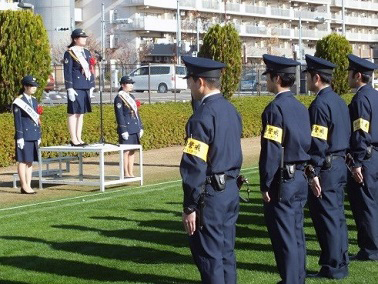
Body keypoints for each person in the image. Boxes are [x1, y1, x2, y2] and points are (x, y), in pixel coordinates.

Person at [180, 56, 243, 284]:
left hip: (211, 195)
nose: (189, 86)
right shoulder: (231, 110)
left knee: (209, 257)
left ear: (200, 82)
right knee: (226, 252)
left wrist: (190, 206)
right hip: (230, 189)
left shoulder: (201, 117)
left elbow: (194, 166)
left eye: (190, 80)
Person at [259, 54, 311, 284]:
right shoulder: (301, 107)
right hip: (300, 176)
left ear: (276, 77)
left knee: (284, 236)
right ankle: (297, 277)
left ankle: (291, 279)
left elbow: (271, 151)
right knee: (297, 233)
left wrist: (265, 183)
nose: (266, 81)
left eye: (268, 77)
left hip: (284, 181)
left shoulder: (274, 110)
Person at [304, 54, 350, 279]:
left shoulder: (320, 104)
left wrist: (313, 172)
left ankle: (333, 266)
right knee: (337, 216)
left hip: (327, 168)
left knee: (327, 219)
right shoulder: (339, 101)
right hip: (340, 164)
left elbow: (318, 142)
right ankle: (340, 260)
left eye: (309, 76)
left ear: (317, 77)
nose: (307, 80)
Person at [347, 54, 378, 261]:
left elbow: (361, 132)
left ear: (358, 75)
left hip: (366, 157)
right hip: (375, 154)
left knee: (365, 204)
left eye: (350, 73)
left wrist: (357, 162)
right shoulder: (375, 95)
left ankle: (370, 249)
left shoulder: (361, 99)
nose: (347, 77)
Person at [63, 28, 95, 146]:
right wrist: (69, 88)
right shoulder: (70, 52)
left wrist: (91, 85)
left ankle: (79, 137)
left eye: (85, 37)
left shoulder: (86, 52)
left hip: (85, 85)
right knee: (73, 112)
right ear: (75, 39)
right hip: (75, 86)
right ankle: (73, 138)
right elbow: (68, 71)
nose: (84, 39)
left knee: (81, 113)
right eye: (82, 37)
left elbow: (91, 69)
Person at [12, 76, 42, 194]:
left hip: (33, 134)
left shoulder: (34, 100)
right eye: (31, 86)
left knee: (30, 161)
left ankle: (28, 184)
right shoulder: (19, 101)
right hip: (24, 135)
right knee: (23, 161)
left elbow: (37, 119)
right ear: (25, 86)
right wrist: (20, 137)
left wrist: (38, 135)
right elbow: (18, 120)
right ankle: (24, 185)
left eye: (35, 86)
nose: (34, 88)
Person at [114, 76, 143, 177]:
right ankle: (125, 173)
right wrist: (123, 129)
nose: (131, 85)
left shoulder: (132, 97)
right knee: (125, 151)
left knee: (132, 151)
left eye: (131, 83)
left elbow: (136, 113)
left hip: (134, 127)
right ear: (122, 85)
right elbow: (119, 115)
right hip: (126, 128)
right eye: (128, 83)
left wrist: (140, 126)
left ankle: (131, 172)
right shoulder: (119, 98)